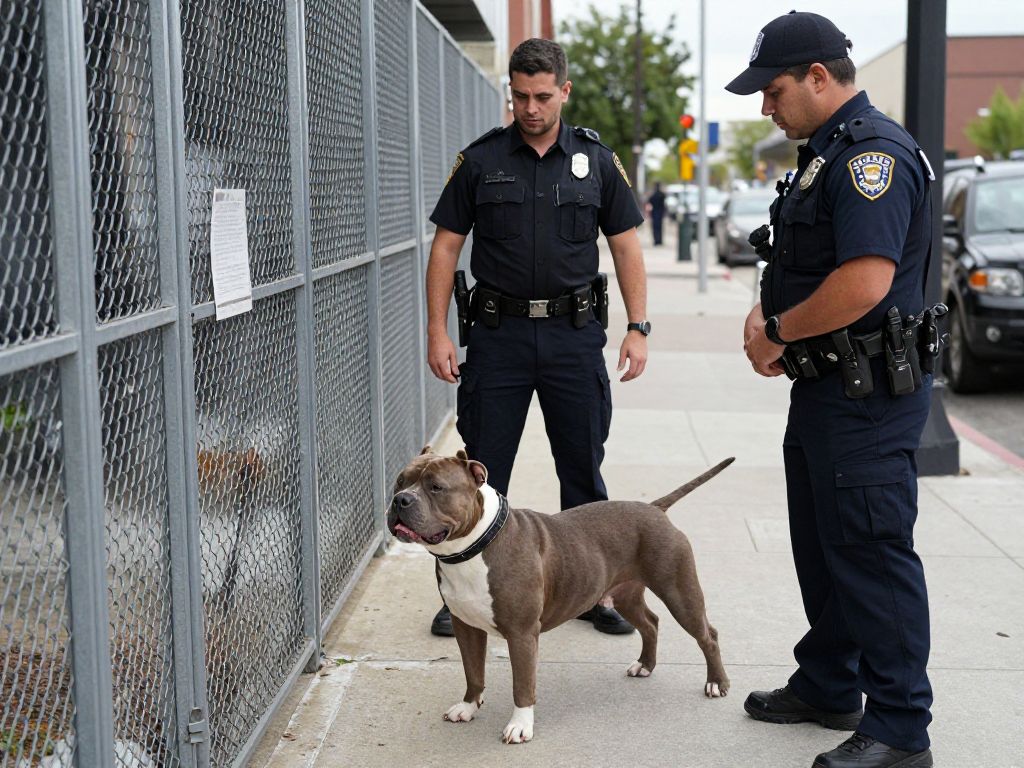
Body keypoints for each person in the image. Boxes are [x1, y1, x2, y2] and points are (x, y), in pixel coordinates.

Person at [727, 12, 937, 768]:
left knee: (872, 557)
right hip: (827, 389)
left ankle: (900, 730)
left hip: (867, 396)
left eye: (773, 91)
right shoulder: (826, 154)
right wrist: (767, 305)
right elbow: (803, 258)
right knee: (826, 550)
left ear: (820, 77)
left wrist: (779, 329)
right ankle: (828, 684)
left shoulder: (869, 157)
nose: (764, 107)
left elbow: (866, 280)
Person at [425, 38, 650, 638]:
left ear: (564, 92)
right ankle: (466, 593)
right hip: (497, 338)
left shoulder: (596, 161)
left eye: (542, 96)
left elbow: (626, 244)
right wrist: (436, 332)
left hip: (573, 338)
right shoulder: (480, 161)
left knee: (582, 466)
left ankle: (591, 591)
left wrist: (637, 326)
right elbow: (446, 247)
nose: (530, 108)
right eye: (520, 96)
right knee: (480, 471)